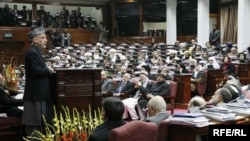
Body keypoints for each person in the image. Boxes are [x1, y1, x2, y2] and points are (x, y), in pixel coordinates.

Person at [22, 27, 55, 137]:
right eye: (43, 38)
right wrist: (48, 69)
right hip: (35, 94)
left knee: (40, 123)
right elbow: (37, 71)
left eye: (45, 38)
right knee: (35, 125)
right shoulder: (32, 52)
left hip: (39, 93)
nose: (46, 40)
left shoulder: (36, 52)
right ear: (35, 40)